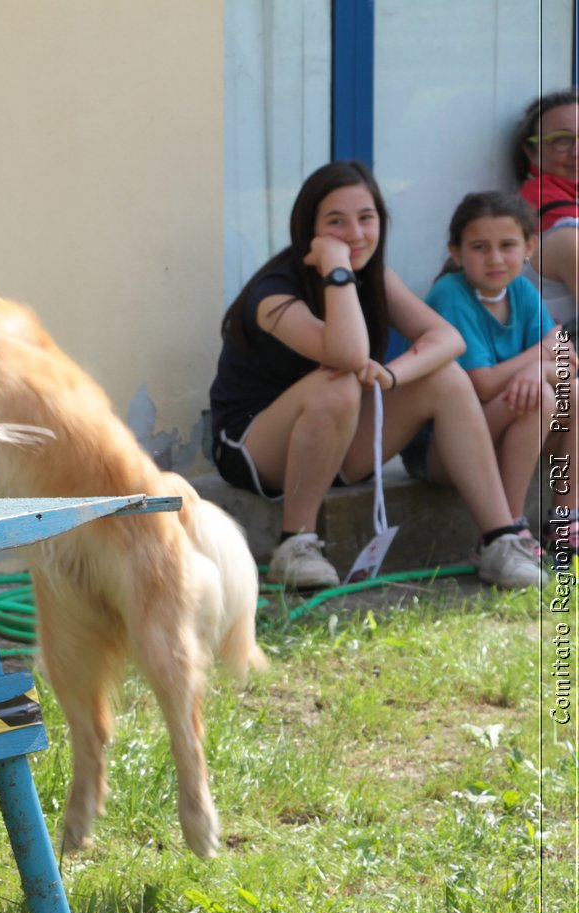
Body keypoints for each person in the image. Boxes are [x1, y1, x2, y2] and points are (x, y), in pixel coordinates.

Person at [209, 160, 544, 592]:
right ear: (308, 228)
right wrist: (336, 267)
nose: (355, 233)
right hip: (254, 447)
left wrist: (389, 375)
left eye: (366, 218)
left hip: (336, 440)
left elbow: (448, 340)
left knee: (446, 377)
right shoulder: (272, 293)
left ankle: (498, 540)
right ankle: (296, 544)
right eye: (336, 222)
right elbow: (347, 354)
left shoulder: (376, 277)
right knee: (341, 379)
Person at [423, 191, 570, 557]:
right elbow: (483, 385)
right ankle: (507, 527)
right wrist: (540, 355)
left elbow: (567, 357)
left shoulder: (520, 288)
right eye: (479, 247)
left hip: (502, 430)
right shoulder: (451, 294)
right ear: (456, 252)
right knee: (542, 398)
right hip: (447, 451)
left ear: (529, 247)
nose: (495, 258)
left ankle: (566, 518)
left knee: (572, 393)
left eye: (507, 245)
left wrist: (540, 367)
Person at [513, 88, 579, 333]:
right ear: (531, 151)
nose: (577, 152)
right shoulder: (547, 208)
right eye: (561, 140)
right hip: (557, 360)